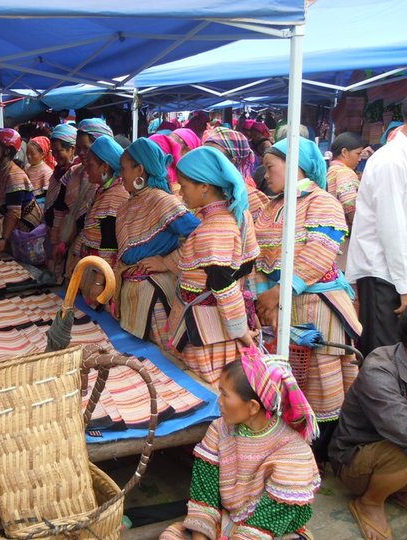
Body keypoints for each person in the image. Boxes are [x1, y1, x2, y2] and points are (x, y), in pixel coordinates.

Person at [256, 137, 361, 462]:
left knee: (320, 381)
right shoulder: (272, 206)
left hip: (317, 309)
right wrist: (265, 297)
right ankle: (289, 444)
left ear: (296, 166)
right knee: (289, 377)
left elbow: (319, 252)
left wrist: (279, 292)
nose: (266, 172)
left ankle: (317, 454)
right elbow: (259, 257)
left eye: (271, 166)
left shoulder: (322, 202)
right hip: (279, 308)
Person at [161, 349, 320, 540]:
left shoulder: (293, 452)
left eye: (225, 395)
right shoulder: (219, 430)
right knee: (172, 536)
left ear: (252, 406)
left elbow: (266, 524)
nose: (218, 402)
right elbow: (205, 495)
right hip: (229, 522)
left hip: (275, 532)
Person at [162, 146, 260, 386]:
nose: (181, 193)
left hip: (210, 333)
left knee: (209, 386)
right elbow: (245, 271)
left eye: (184, 186)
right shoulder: (236, 216)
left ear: (204, 186)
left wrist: (240, 331)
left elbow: (223, 287)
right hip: (221, 328)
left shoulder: (214, 229)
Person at [110, 138, 200, 350]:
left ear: (139, 169)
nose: (119, 175)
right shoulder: (127, 205)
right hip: (130, 294)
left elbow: (201, 236)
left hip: (153, 298)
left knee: (157, 359)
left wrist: (167, 262)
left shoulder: (162, 201)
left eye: (123, 169)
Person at [329, 312, 407, 540]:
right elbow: (401, 427)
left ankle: (399, 488)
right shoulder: (379, 368)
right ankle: (369, 503)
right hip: (355, 458)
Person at [347, 101, 407, 357]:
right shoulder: (391, 161)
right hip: (383, 272)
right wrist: (404, 286)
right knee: (383, 355)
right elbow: (391, 226)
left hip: (395, 271)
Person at [73, 135, 129, 305]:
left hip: (101, 273)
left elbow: (110, 245)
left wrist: (99, 282)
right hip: (93, 267)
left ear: (104, 167)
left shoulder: (114, 197)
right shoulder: (104, 190)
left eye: (90, 164)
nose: (86, 167)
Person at [56, 118, 114, 278]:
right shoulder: (74, 173)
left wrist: (99, 280)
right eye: (78, 148)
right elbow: (60, 207)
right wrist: (58, 240)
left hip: (95, 257)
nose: (80, 153)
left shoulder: (111, 186)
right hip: (72, 244)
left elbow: (109, 239)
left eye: (86, 148)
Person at [204, 126, 269, 223]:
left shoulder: (249, 198)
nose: (206, 161)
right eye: (204, 155)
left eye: (214, 157)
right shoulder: (203, 191)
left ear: (233, 161)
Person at [44, 123, 78, 278]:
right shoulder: (56, 172)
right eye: (53, 152)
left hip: (67, 236)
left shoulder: (75, 175)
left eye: (60, 151)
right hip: (53, 231)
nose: (56, 156)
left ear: (72, 149)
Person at [326, 132, 365, 229]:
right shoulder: (345, 172)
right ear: (344, 152)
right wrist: (357, 226)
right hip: (343, 229)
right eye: (358, 153)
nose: (359, 159)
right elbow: (349, 201)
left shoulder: (331, 169)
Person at [24, 135, 55, 207]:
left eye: (32, 154)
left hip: (40, 204)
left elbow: (47, 193)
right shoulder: (27, 167)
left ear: (42, 154)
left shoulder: (46, 171)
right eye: (27, 153)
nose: (29, 156)